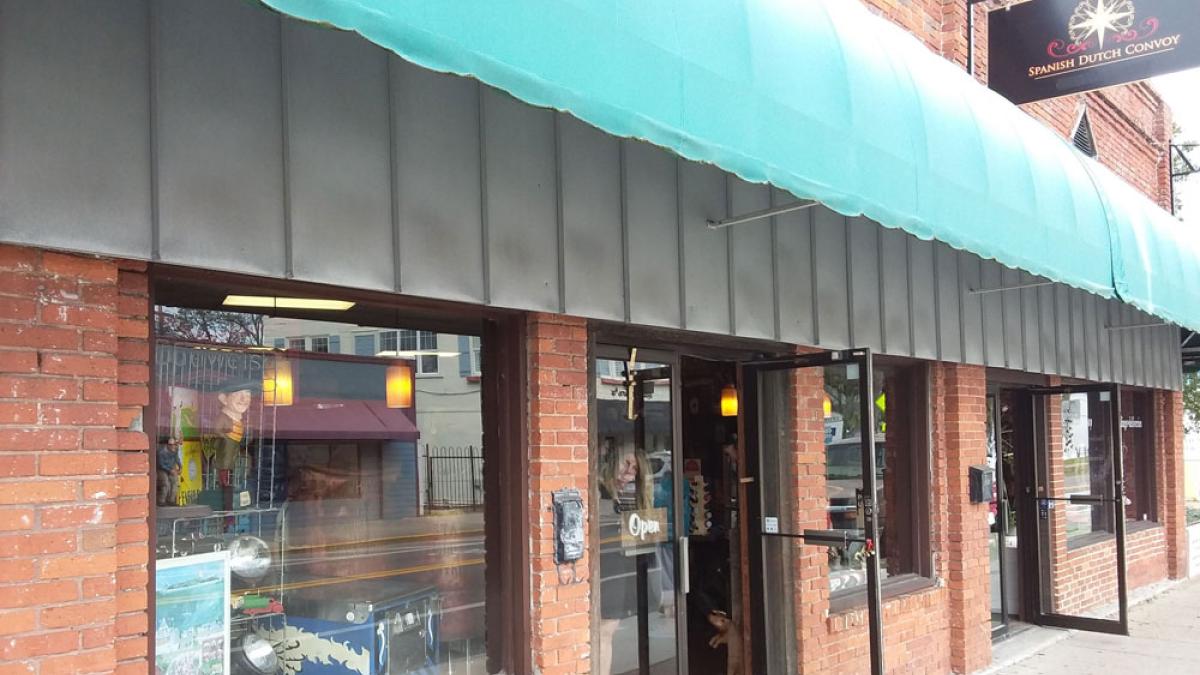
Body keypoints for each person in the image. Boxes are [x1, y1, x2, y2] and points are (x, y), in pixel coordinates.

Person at [595, 437, 654, 675]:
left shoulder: (631, 497)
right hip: (602, 567)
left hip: (620, 568)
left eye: (635, 469)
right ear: (613, 460)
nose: (628, 472)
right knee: (603, 631)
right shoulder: (597, 490)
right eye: (626, 463)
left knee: (607, 631)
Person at [156, 437, 181, 506]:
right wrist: (170, 470)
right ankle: (161, 501)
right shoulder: (161, 452)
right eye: (171, 445)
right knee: (165, 484)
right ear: (167, 445)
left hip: (171, 469)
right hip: (162, 469)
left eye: (174, 444)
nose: (173, 446)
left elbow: (177, 459)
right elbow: (161, 464)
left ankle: (171, 500)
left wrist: (180, 467)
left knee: (175, 482)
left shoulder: (175, 450)